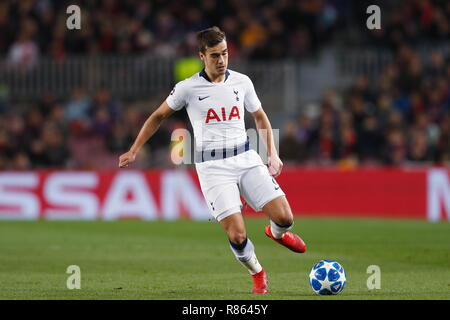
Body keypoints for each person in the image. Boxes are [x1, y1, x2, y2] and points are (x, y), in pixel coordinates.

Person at [118, 26, 307, 294]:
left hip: (245, 157)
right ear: (202, 56)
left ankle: (277, 234)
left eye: (225, 53)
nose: (221, 60)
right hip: (213, 168)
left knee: (285, 217)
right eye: (215, 55)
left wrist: (272, 154)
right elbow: (158, 116)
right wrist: (134, 149)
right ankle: (258, 274)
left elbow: (260, 116)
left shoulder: (242, 82)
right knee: (237, 235)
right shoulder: (187, 88)